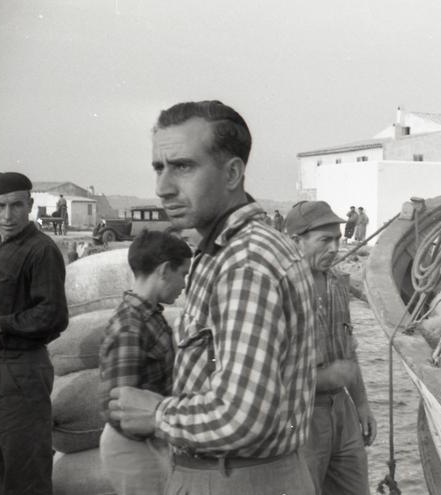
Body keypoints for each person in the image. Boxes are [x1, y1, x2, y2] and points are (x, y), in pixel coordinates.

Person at [108, 100, 317, 495]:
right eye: (159, 167)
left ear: (232, 172)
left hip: (235, 479)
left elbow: (241, 416)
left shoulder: (244, 263)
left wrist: (155, 412)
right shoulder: (229, 252)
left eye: (183, 166)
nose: (163, 187)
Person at [0, 172, 69, 495]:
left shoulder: (40, 250)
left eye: (17, 205)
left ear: (30, 205)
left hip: (20, 370)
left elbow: (53, 315)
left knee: (24, 469)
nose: (8, 215)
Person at [286, 201, 376, 495]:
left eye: (337, 239)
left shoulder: (338, 281)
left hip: (342, 411)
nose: (335, 248)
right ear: (296, 242)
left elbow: (348, 351)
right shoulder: (279, 289)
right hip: (300, 417)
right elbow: (264, 373)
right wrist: (323, 377)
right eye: (324, 240)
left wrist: (361, 404)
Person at [99, 230, 193, 494]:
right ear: (164, 270)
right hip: (134, 446)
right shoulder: (130, 326)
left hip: (150, 437)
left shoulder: (149, 317)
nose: (184, 284)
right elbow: (120, 409)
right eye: (183, 274)